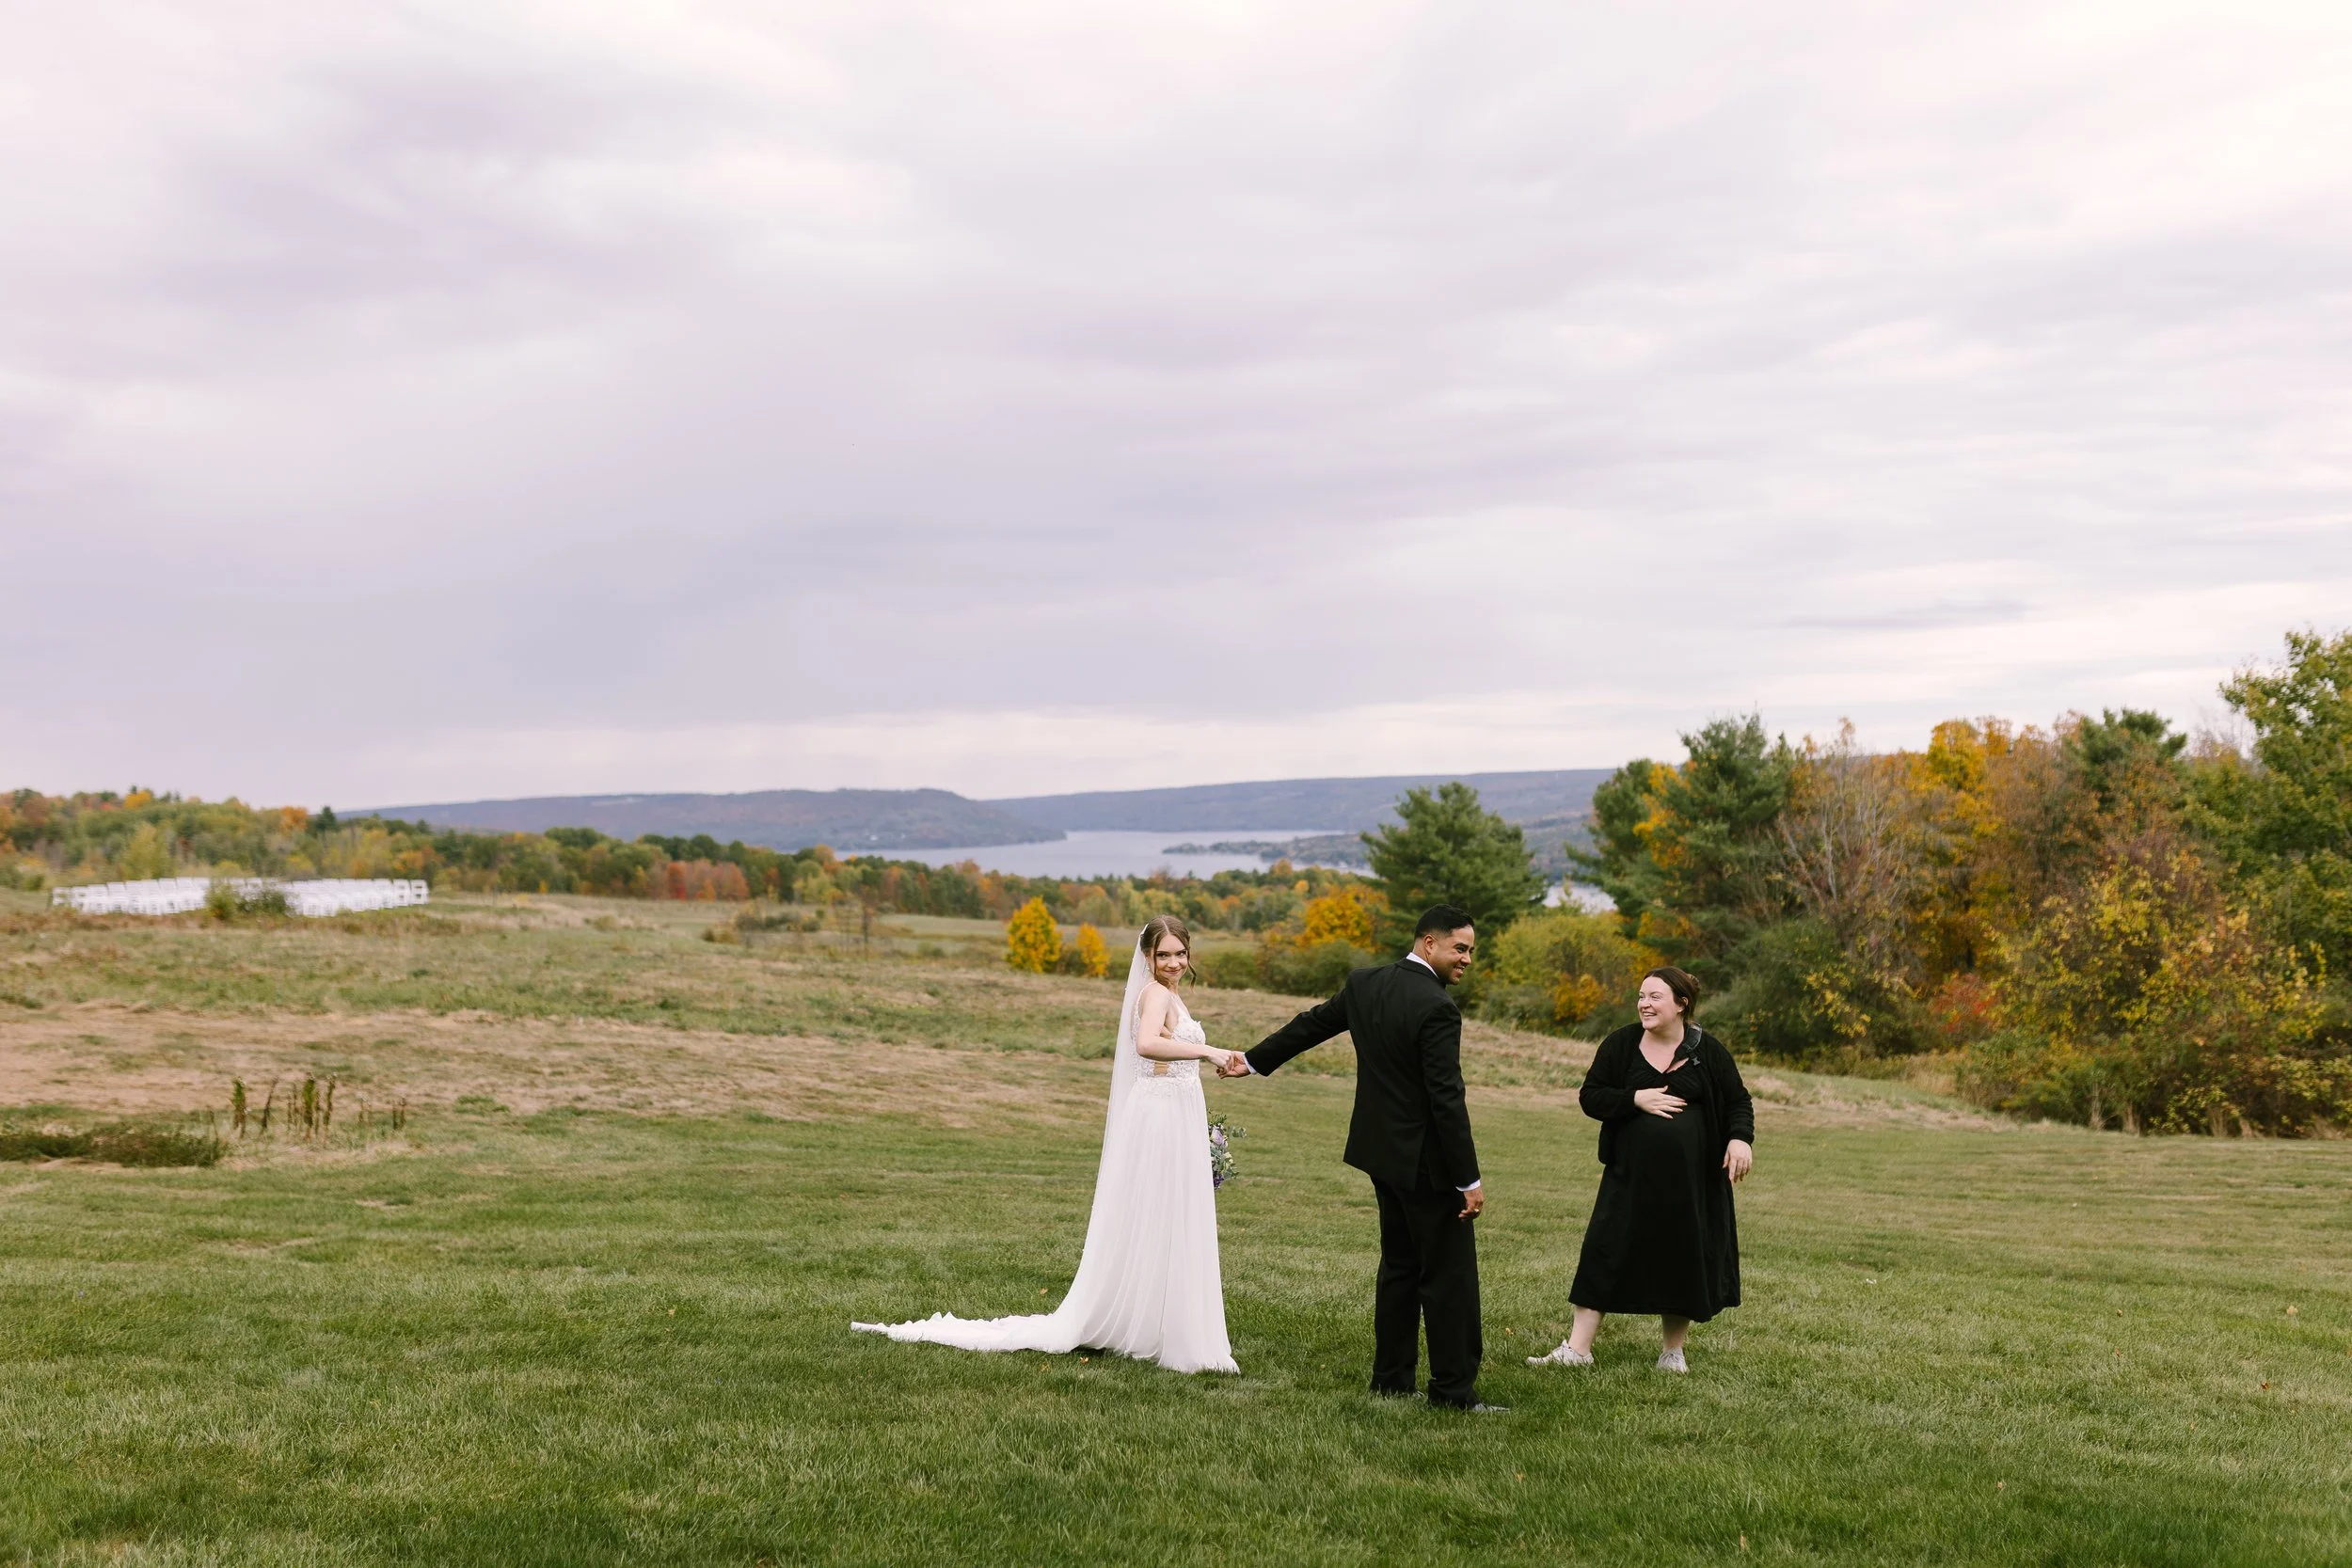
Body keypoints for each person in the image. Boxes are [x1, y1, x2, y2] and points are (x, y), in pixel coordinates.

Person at [851, 915, 1243, 1373]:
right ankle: (1169, 1334)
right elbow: (1146, 1044)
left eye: (1180, 953)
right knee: (1165, 1215)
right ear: (1147, 957)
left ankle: (1154, 1324)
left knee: (1165, 1218)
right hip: (1161, 1114)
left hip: (1173, 1107)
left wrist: (1209, 1058)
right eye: (1163, 955)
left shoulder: (1169, 993)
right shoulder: (1155, 993)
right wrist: (1207, 1051)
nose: (1173, 963)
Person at [1220, 905, 1499, 1411]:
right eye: (1460, 948)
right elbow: (1446, 1098)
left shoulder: (1366, 983)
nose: (1467, 960)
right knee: (1447, 1279)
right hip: (1428, 1165)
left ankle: (1391, 1381)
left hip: (1381, 1156)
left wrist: (1257, 1061)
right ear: (1428, 943)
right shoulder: (1438, 1007)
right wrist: (1468, 1178)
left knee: (1398, 1267)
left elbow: (1313, 1024)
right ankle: (1454, 1394)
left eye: (1471, 951)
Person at [1528, 966, 1753, 1373]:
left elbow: (1738, 1100)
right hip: (1628, 1178)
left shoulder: (1708, 1051)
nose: (1644, 1004)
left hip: (1692, 1183)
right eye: (1641, 996)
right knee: (1604, 1250)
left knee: (1681, 1255)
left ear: (1681, 1004)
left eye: (1654, 997)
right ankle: (1578, 1350)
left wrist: (1740, 1139)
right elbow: (1591, 1097)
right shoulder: (1622, 1044)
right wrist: (1635, 1099)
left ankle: (1672, 1353)